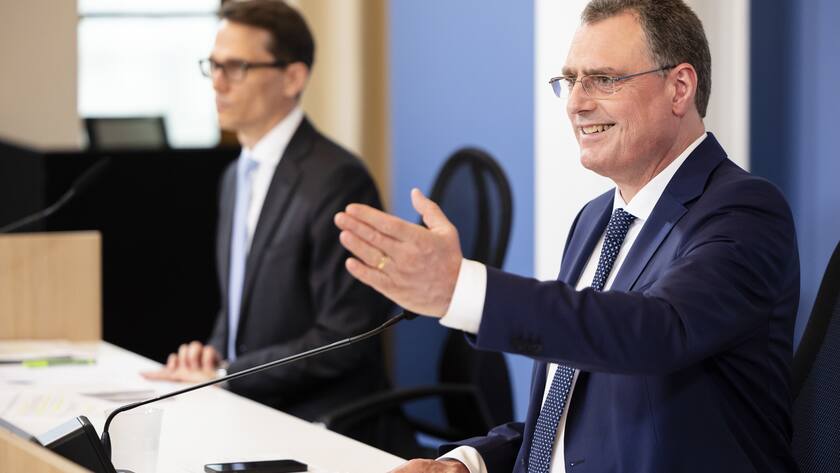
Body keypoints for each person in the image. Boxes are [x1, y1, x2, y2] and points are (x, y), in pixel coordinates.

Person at [334, 0, 799, 472]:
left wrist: (465, 289)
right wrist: (471, 462)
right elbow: (569, 411)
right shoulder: (595, 219)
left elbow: (656, 332)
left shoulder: (743, 211)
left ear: (679, 88)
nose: (576, 102)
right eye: (570, 80)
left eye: (603, 79)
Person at [144, 0, 392, 426]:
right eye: (213, 65)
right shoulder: (233, 176)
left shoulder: (338, 180)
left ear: (293, 77)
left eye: (236, 67)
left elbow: (344, 337)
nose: (218, 83)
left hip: (320, 418)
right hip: (245, 405)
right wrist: (212, 355)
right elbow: (241, 302)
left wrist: (225, 376)